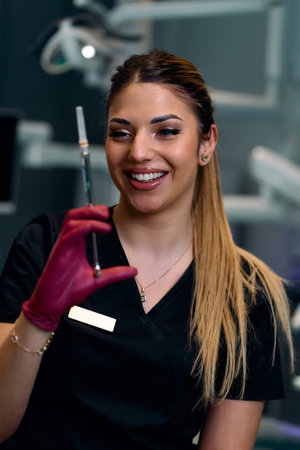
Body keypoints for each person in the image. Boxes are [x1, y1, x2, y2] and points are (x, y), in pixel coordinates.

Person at [0, 49, 294, 449]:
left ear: (206, 143)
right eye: (121, 132)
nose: (138, 152)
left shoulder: (249, 296)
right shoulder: (48, 245)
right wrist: (38, 316)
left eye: (167, 131)